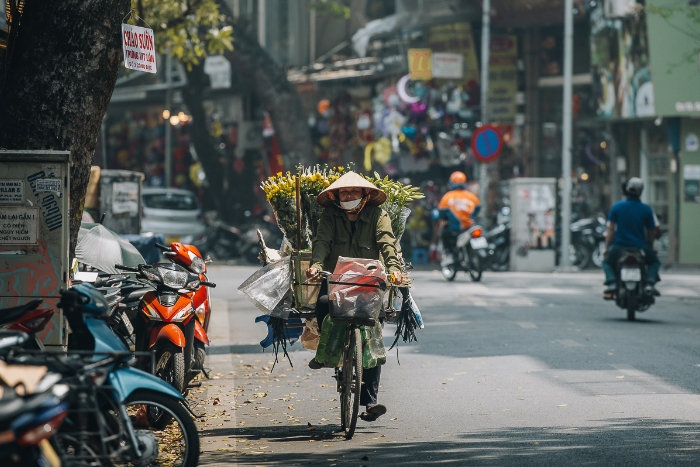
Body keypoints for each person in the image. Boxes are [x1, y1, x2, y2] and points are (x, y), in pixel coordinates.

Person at [305, 171, 403, 422]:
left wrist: (394, 269)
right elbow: (322, 241)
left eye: (354, 192)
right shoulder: (330, 216)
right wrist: (316, 265)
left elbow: (387, 244)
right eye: (344, 192)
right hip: (336, 280)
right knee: (324, 304)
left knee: (372, 335)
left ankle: (370, 402)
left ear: (365, 195)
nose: (348, 196)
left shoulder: (378, 215)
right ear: (336, 197)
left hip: (369, 283)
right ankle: (326, 353)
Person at [602, 177, 661, 299]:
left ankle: (612, 282)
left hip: (620, 246)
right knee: (654, 262)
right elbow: (651, 232)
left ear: (627, 190)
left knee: (607, 263)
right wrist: (650, 247)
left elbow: (611, 229)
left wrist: (606, 247)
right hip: (640, 246)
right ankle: (649, 283)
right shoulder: (646, 209)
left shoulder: (617, 207)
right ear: (641, 191)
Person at [435, 171, 481, 257]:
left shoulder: (447, 197)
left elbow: (441, 213)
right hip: (470, 226)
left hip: (455, 229)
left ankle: (448, 253)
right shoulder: (471, 196)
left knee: (443, 231)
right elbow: (478, 209)